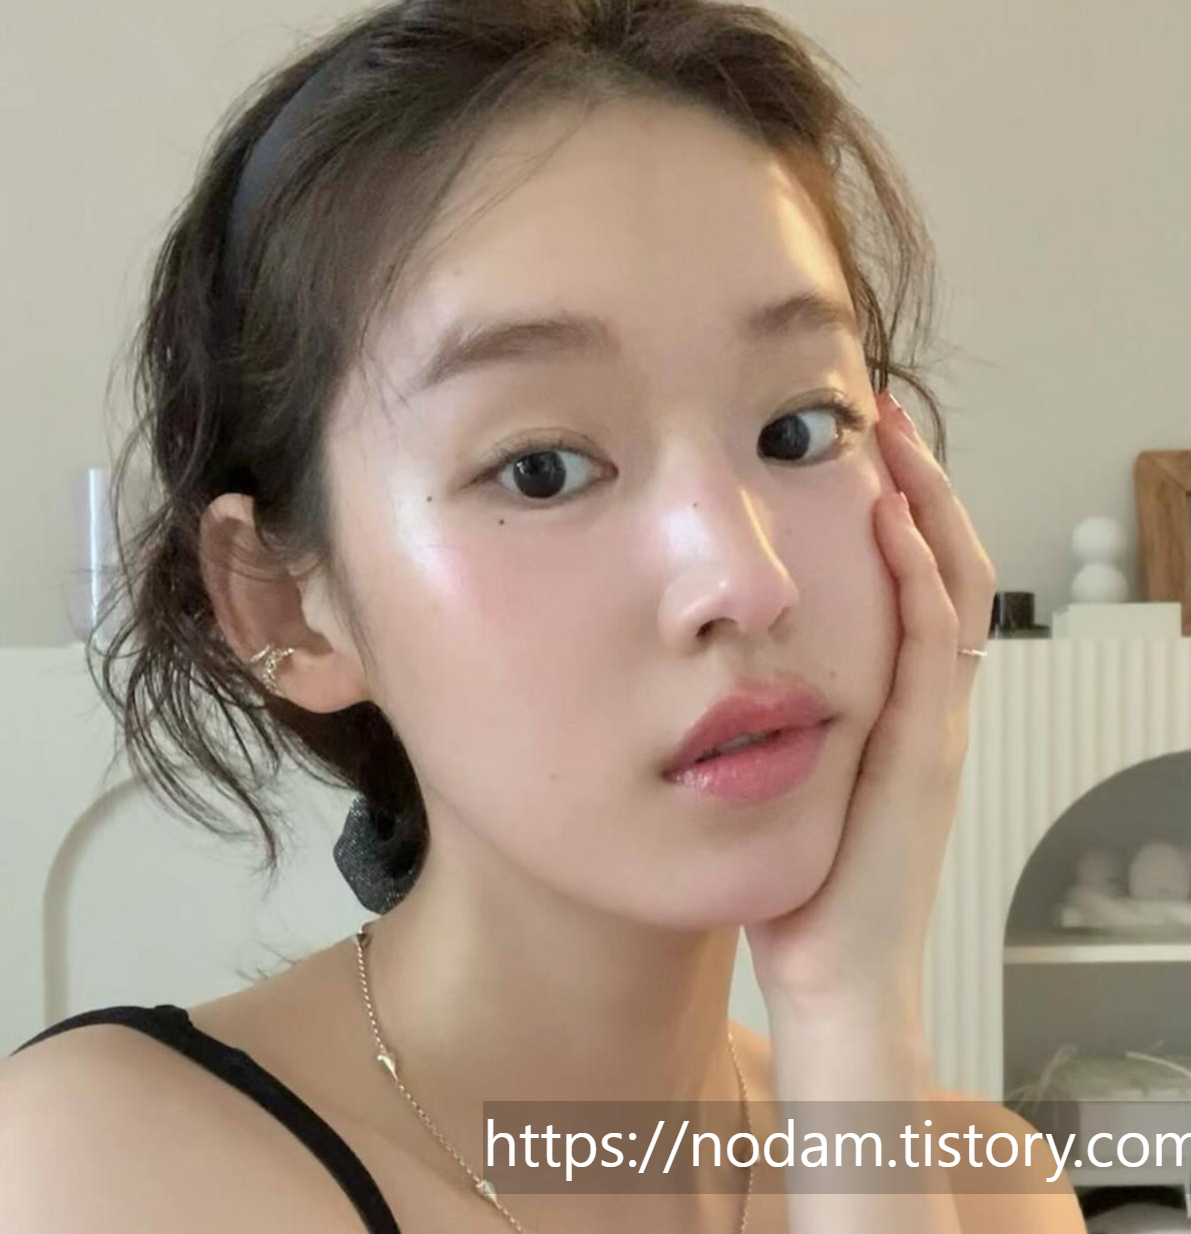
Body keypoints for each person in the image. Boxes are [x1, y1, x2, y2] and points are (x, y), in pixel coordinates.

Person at [1, 1, 1088, 1230]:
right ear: (283, 602)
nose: (744, 577)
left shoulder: (984, 1190)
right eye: (540, 469)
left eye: (797, 429)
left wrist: (851, 1021)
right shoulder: (108, 1170)